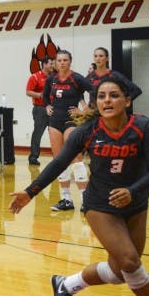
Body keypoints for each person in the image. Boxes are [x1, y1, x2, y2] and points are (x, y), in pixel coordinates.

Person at [8, 75, 149, 296]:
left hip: (136, 204)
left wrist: (133, 190)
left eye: (114, 95)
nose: (107, 101)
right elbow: (59, 164)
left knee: (120, 271)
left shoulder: (143, 127)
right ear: (95, 102)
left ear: (127, 100)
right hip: (100, 206)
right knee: (130, 261)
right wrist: (30, 192)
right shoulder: (87, 131)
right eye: (101, 96)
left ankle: (66, 284)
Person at [43, 49, 94, 211]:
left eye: (65, 60)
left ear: (70, 62)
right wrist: (47, 106)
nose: (62, 63)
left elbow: (95, 91)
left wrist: (85, 110)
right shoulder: (51, 79)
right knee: (59, 160)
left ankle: (86, 200)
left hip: (71, 121)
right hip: (54, 121)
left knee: (76, 158)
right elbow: (45, 96)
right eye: (59, 60)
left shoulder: (77, 78)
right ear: (56, 63)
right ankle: (66, 199)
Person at [25, 56, 55, 166]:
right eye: (51, 63)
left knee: (54, 133)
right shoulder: (35, 77)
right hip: (40, 109)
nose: (53, 66)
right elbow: (28, 91)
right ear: (45, 64)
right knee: (38, 133)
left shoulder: (55, 77)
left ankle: (57, 156)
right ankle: (33, 156)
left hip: (53, 109)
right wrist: (40, 95)